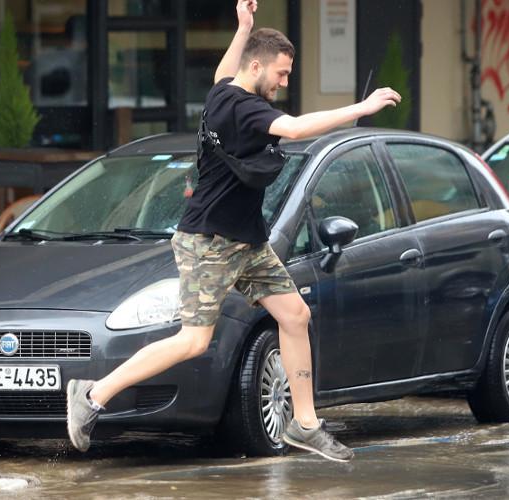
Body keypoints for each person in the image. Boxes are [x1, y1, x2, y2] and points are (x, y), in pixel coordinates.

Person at [65, 0, 400, 462]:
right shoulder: (246, 110)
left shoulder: (224, 92)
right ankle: (93, 394)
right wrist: (362, 107)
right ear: (258, 66)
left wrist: (242, 27)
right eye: (281, 74)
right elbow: (298, 129)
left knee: (296, 316)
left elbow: (225, 69)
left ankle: (305, 425)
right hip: (210, 242)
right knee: (194, 340)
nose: (285, 82)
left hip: (246, 241)